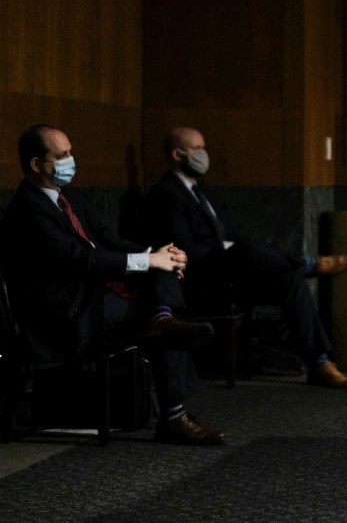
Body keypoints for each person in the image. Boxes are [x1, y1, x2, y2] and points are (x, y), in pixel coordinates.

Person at [0, 124, 226, 445]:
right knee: (157, 315)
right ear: (36, 164)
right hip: (61, 316)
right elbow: (82, 260)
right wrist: (148, 262)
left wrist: (156, 255)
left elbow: (105, 238)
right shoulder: (28, 210)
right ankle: (173, 411)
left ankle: (164, 320)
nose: (70, 160)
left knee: (160, 279)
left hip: (90, 294)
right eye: (61, 156)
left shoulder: (69, 198)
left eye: (70, 152)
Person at [143, 126, 347, 388]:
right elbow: (183, 249)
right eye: (198, 149)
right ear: (177, 154)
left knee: (289, 278)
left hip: (232, 275)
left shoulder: (204, 192)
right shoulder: (166, 194)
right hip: (203, 278)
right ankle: (310, 263)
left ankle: (319, 363)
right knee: (245, 248)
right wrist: (228, 251)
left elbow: (228, 232)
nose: (204, 155)